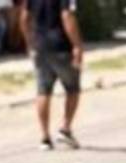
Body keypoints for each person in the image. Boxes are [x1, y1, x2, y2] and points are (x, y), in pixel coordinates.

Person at [21, 0, 82, 150]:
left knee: (43, 91)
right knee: (72, 88)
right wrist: (77, 45)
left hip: (40, 47)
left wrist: (29, 42)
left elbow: (24, 17)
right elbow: (67, 15)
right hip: (61, 46)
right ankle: (65, 128)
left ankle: (45, 137)